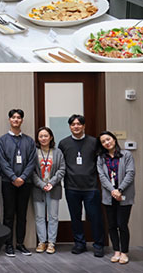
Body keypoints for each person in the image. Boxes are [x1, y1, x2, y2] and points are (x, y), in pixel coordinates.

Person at [58, 114, 105, 256]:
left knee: (95, 216)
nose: (76, 127)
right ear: (70, 127)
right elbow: (61, 164)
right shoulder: (63, 143)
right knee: (75, 217)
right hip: (72, 187)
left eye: (79, 124)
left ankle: (98, 245)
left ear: (84, 126)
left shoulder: (94, 142)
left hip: (91, 187)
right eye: (73, 124)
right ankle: (80, 244)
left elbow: (101, 162)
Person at [0, 109, 37, 257]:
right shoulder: (2, 140)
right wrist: (14, 177)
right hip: (8, 182)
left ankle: (20, 243)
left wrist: (23, 177)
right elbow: (2, 161)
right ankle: (8, 245)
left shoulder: (29, 141)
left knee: (22, 214)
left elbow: (32, 161)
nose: (16, 120)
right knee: (8, 214)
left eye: (18, 118)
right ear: (9, 120)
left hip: (25, 183)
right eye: (13, 117)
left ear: (22, 121)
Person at [97, 131, 135, 265]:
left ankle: (124, 252)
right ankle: (116, 251)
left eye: (108, 139)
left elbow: (130, 173)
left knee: (122, 224)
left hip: (124, 195)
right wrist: (113, 191)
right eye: (103, 142)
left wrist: (119, 190)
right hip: (109, 195)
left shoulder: (126, 155)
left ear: (114, 139)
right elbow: (102, 176)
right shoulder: (101, 158)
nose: (107, 143)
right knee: (112, 225)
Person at [32, 126, 65, 254]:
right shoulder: (34, 152)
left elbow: (62, 169)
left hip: (54, 188)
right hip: (38, 189)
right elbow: (32, 171)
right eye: (41, 136)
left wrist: (51, 183)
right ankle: (42, 242)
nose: (43, 138)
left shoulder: (58, 152)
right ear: (38, 138)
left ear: (51, 137)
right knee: (39, 216)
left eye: (46, 136)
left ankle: (51, 242)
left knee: (53, 216)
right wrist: (41, 184)